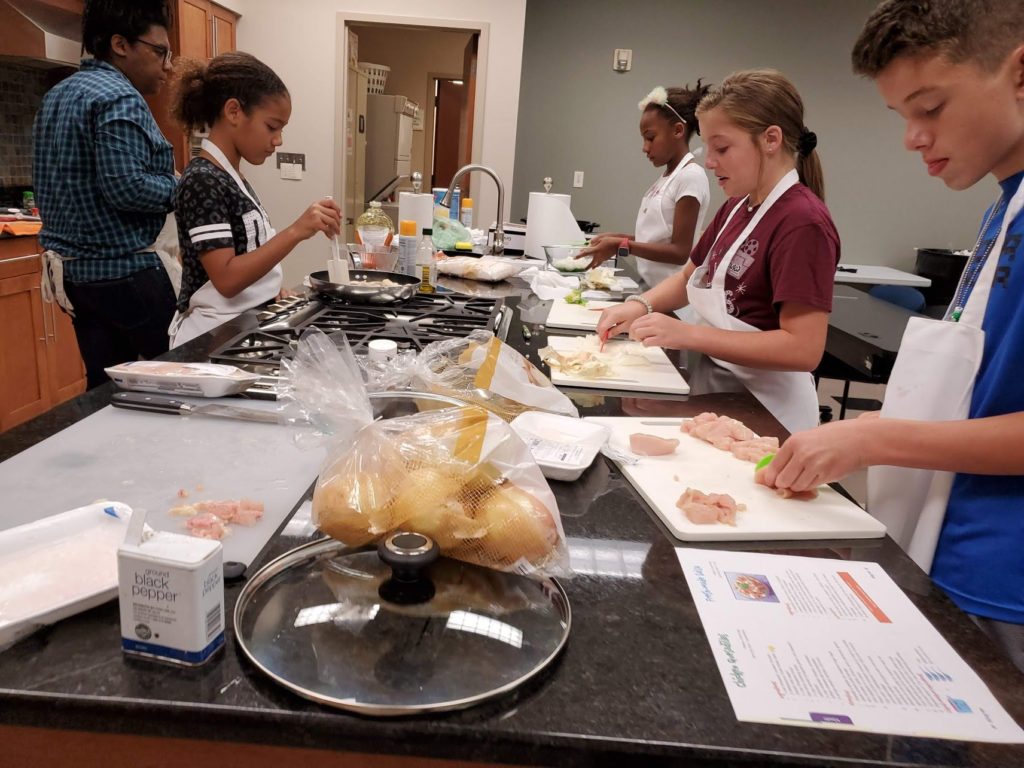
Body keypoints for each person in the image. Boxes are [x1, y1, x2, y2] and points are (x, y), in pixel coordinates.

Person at [758, 0, 1024, 672]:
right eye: (902, 115)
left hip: (1004, 585)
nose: (911, 137)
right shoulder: (1006, 205)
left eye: (930, 108)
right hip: (951, 547)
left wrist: (871, 436)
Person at [595, 70, 840, 435]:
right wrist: (639, 306)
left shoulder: (802, 222)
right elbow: (686, 276)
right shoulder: (737, 207)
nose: (709, 162)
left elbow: (803, 348)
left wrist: (687, 334)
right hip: (722, 391)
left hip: (769, 413)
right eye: (708, 148)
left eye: (722, 148)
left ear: (771, 139)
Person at [33, 0, 177, 389]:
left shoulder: (57, 95)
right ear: (120, 44)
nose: (168, 65)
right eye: (160, 51)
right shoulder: (119, 96)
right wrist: (181, 187)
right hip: (126, 275)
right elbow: (127, 187)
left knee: (106, 389)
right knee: (175, 380)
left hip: (74, 278)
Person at [168, 51, 341, 347]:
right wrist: (296, 231)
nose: (278, 140)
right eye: (272, 127)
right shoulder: (202, 180)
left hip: (240, 326)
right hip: (211, 338)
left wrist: (269, 291)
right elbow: (226, 278)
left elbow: (246, 254)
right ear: (234, 111)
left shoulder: (235, 178)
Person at [581, 83, 711, 290]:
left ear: (678, 130)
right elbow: (658, 240)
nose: (645, 147)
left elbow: (679, 252)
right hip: (651, 289)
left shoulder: (690, 177)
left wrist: (621, 246)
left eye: (650, 138)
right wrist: (620, 238)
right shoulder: (667, 177)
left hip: (673, 298)